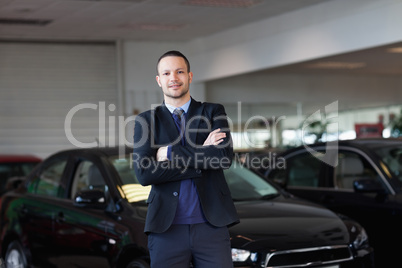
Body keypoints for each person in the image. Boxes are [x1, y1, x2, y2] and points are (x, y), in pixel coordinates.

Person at [133, 50, 239, 268]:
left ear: (189, 76)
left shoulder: (212, 112)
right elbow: (144, 173)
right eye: (167, 73)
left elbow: (223, 158)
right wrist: (202, 155)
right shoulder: (146, 121)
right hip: (166, 229)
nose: (174, 78)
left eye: (180, 71)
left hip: (211, 226)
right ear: (159, 80)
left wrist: (170, 153)